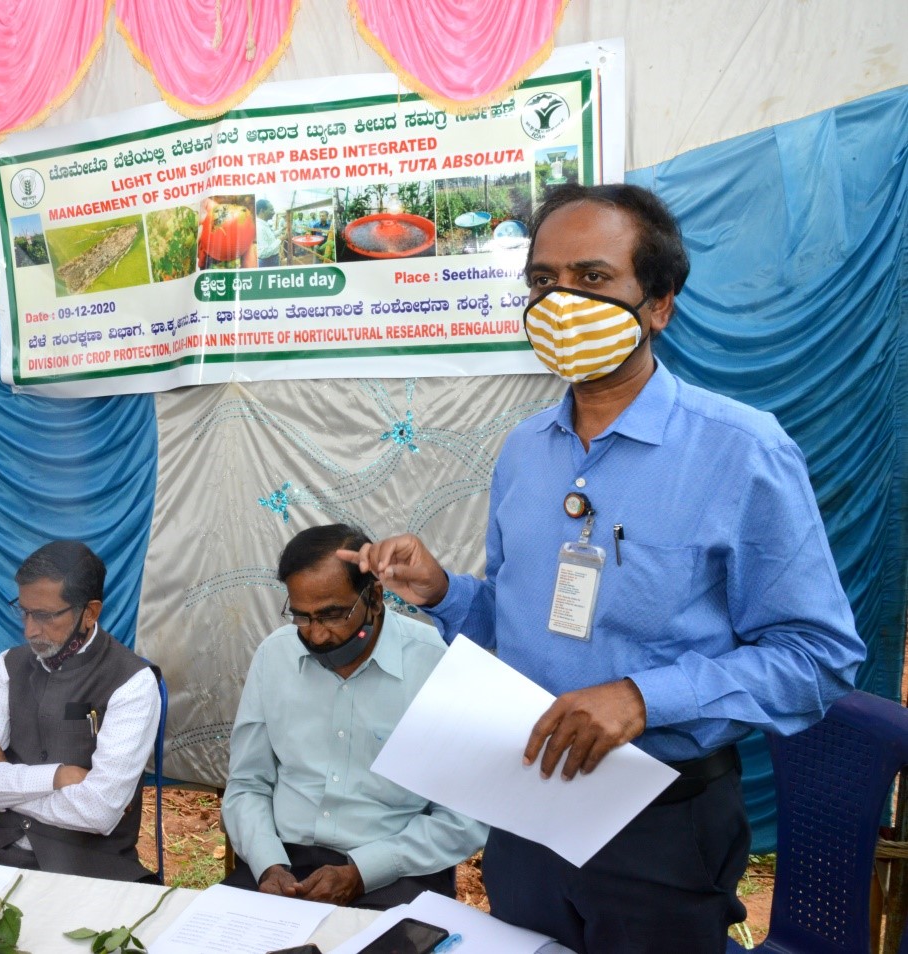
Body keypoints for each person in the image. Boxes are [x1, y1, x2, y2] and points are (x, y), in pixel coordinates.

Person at [342, 183, 864, 951]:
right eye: (542, 281)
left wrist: (642, 699)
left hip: (660, 824)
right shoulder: (525, 451)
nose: (560, 302)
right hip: (527, 803)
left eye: (592, 279)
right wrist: (447, 594)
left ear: (659, 304)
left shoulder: (742, 451)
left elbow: (819, 658)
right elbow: (522, 631)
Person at [222, 524, 487, 910]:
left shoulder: (438, 664)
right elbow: (248, 783)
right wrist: (268, 865)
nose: (316, 635)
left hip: (397, 871)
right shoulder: (274, 656)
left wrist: (363, 872)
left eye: (332, 615)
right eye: (301, 617)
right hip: (283, 865)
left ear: (375, 597)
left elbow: (465, 817)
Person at [0, 540, 160, 881]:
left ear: (89, 612)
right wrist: (55, 777)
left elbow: (99, 811)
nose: (30, 629)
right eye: (25, 611)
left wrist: (5, 778)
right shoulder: (8, 667)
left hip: (90, 869)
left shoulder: (132, 683)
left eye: (45, 616)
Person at [255, 198, 280, 268]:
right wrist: (280, 240)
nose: (274, 212)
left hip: (271, 260)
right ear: (262, 211)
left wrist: (281, 230)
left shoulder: (263, 224)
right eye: (271, 210)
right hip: (268, 262)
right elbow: (263, 253)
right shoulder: (259, 227)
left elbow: (269, 237)